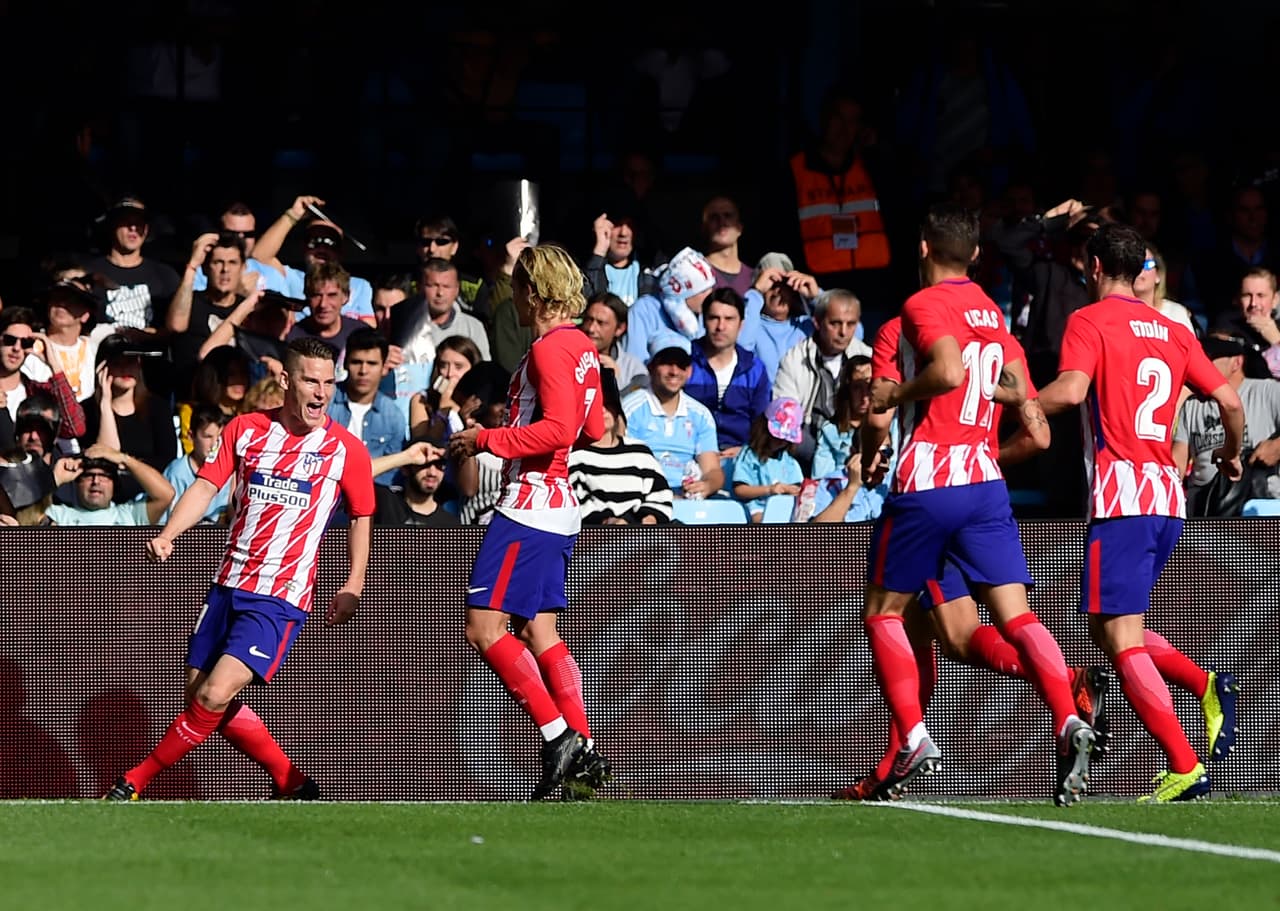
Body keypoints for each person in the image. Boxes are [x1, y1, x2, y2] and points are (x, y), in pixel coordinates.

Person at [861, 203, 1095, 807]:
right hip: (986, 484)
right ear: (977, 256)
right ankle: (1067, 714)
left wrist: (890, 407)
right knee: (1010, 620)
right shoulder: (994, 314)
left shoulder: (914, 313)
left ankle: (911, 738)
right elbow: (1034, 421)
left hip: (929, 478)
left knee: (885, 615)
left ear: (922, 249)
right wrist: (988, 431)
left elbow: (921, 385)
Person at [105, 337, 375, 801]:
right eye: (311, 380)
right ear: (286, 381)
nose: (321, 392)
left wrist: (354, 582)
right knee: (201, 695)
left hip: (281, 594)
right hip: (229, 583)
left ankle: (135, 780)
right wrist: (170, 534)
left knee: (214, 694)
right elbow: (206, 487)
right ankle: (292, 781)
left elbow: (362, 514)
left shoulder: (346, 449)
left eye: (329, 382)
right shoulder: (246, 429)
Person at [1037, 222, 1244, 802]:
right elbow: (1228, 400)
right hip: (1167, 501)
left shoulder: (1089, 320)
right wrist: (1230, 454)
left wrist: (1015, 402)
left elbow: (1073, 391)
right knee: (1110, 631)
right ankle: (1206, 685)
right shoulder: (1174, 329)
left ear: (1095, 267)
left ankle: (1185, 764)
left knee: (1121, 641)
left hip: (1122, 497)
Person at [447, 243, 609, 801]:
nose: (511, 297)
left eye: (515, 288)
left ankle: (561, 736)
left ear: (532, 293)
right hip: (559, 504)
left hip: (530, 505)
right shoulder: (581, 345)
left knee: (484, 628)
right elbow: (594, 425)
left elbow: (562, 429)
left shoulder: (547, 350)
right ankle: (583, 754)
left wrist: (485, 438)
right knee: (540, 630)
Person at [731, 398, 805, 522]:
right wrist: (769, 490)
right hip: (756, 508)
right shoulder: (749, 456)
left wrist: (793, 491)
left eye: (785, 439)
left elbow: (797, 488)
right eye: (776, 436)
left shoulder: (789, 462)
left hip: (785, 511)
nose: (781, 442)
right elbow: (740, 489)